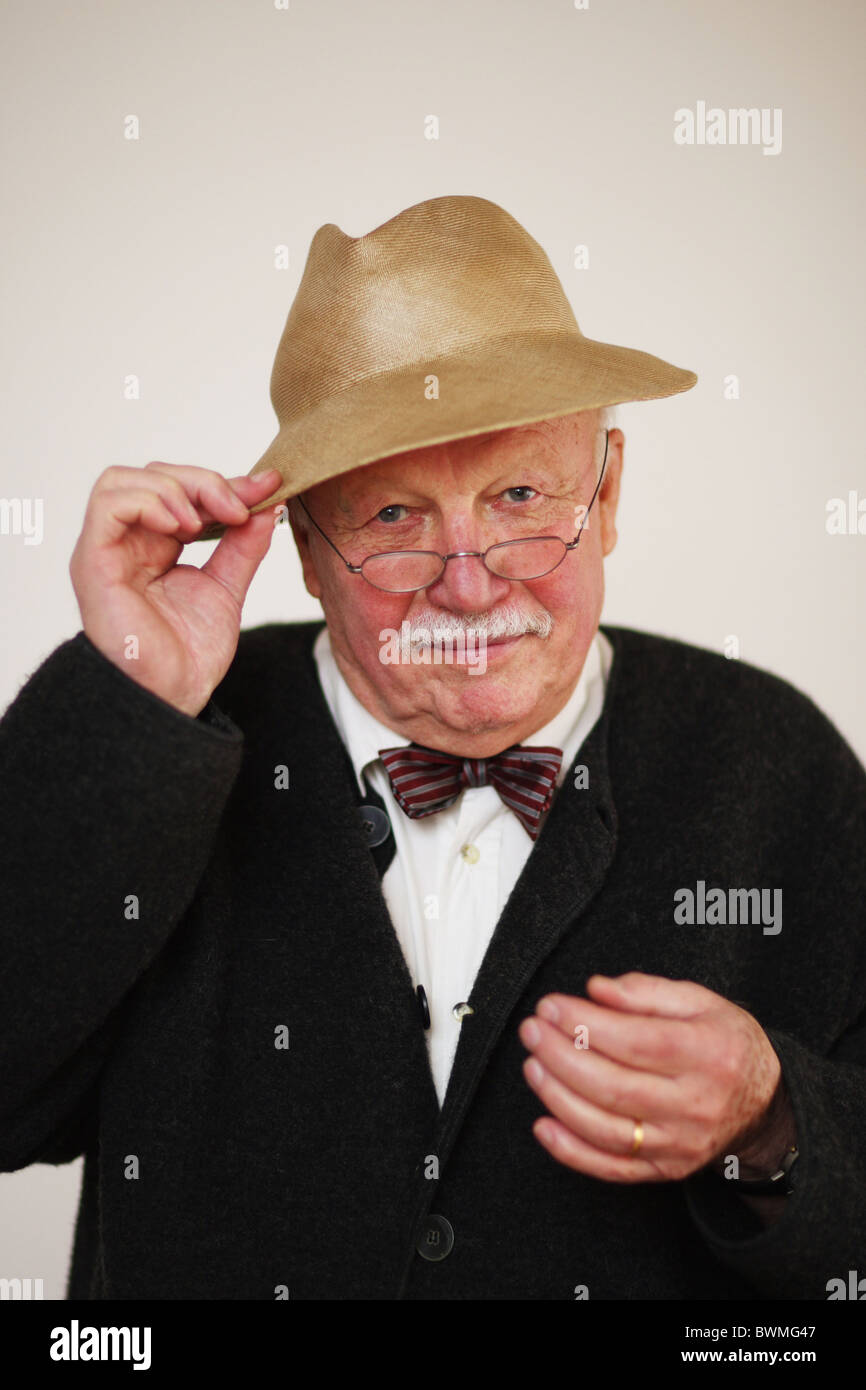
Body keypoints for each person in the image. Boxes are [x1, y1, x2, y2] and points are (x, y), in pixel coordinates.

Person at [1, 195, 864, 1301]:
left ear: (605, 499)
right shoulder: (171, 728)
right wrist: (132, 703)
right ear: (305, 547)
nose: (468, 581)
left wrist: (770, 1120)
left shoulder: (775, 759)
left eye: (517, 495)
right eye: (395, 518)